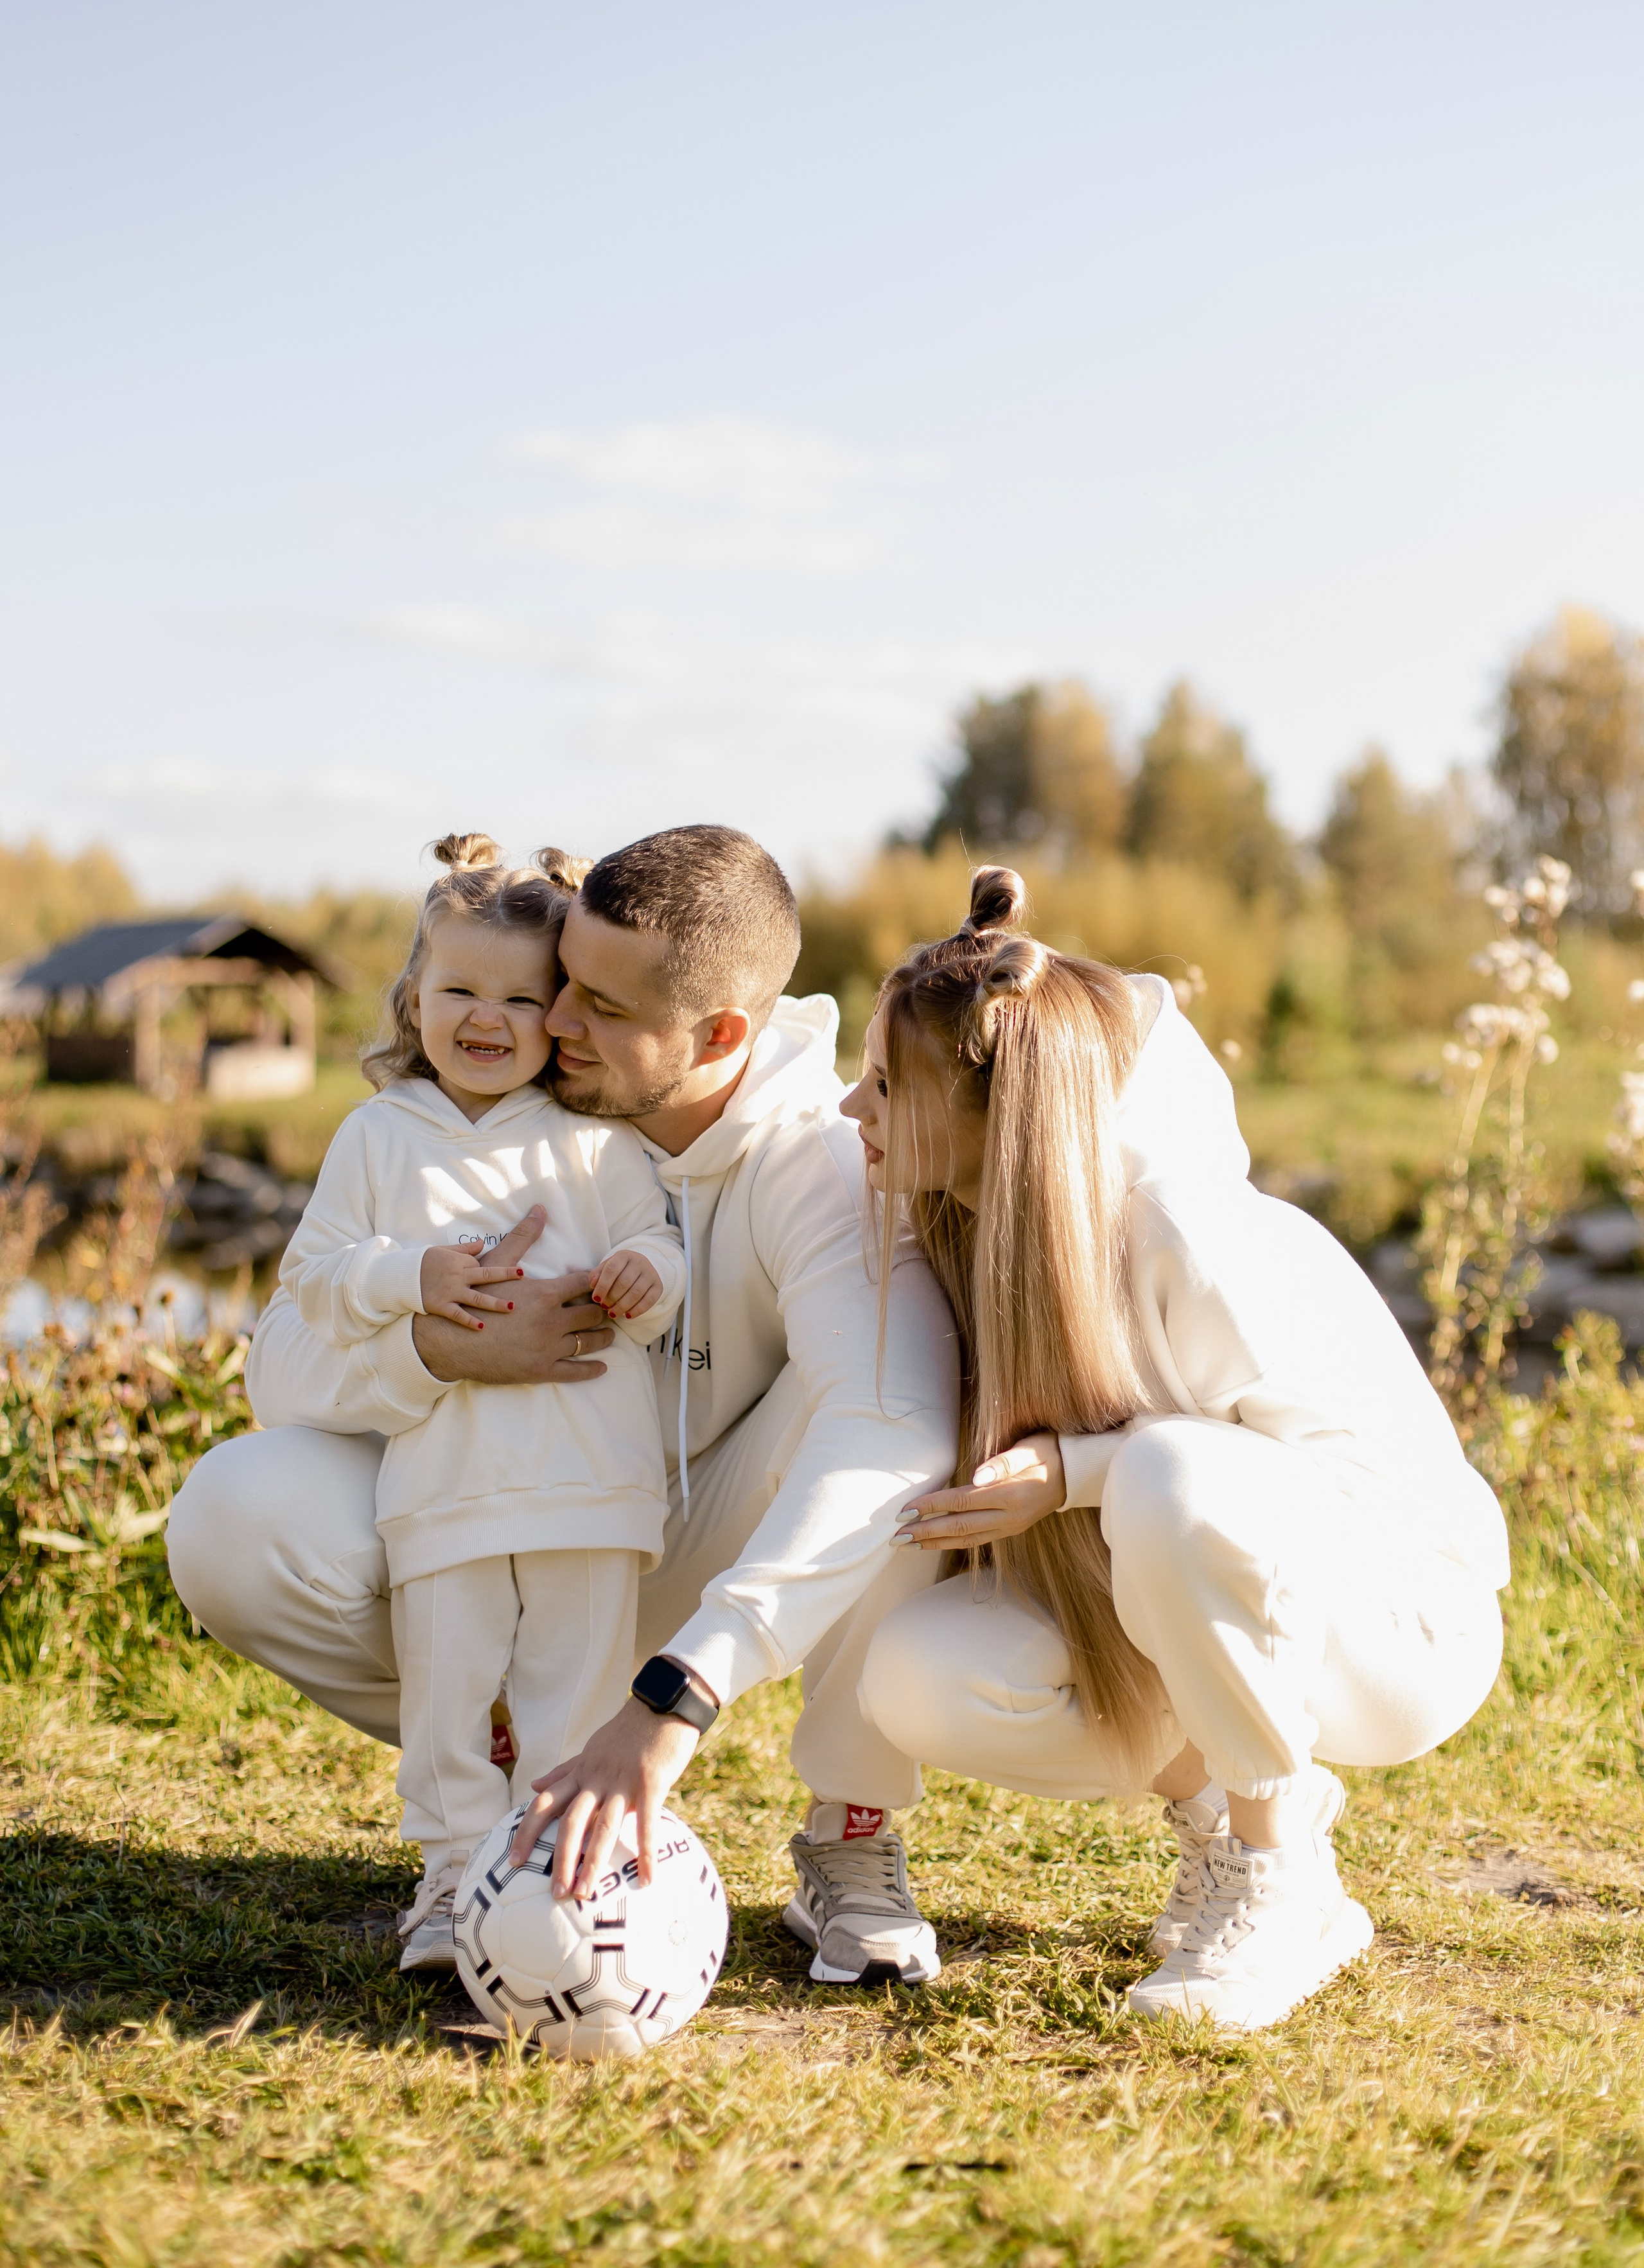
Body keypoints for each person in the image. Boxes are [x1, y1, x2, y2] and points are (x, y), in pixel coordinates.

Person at [167, 825, 958, 1985]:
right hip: (495, 1497)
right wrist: (442, 1351)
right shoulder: (458, 1122)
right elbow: (281, 1363)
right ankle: (489, 1798)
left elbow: (889, 1433)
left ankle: (850, 1827)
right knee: (231, 1511)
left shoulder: (813, 1162)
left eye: (591, 1005)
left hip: (683, 1526)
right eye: (559, 988)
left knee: (887, 1413)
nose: (555, 1026)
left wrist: (684, 1692)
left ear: (720, 1034)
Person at [841, 866, 1509, 2033]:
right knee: (919, 1672)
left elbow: (1357, 1502)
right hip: (1211, 1608)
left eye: (887, 1085)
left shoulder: (1196, 1238)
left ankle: (1279, 1875)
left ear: (996, 1114)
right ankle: (1229, 1827)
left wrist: (1077, 1472)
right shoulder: (967, 1232)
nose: (853, 1111)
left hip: (1402, 1632)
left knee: (1169, 1470)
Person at [277, 832, 686, 1965]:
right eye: (459, 989)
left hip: (589, 1486)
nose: (488, 1017)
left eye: (523, 994)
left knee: (572, 1697)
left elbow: (661, 1250)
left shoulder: (595, 1142)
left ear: (562, 1012)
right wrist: (409, 1277)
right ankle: (454, 1873)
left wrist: (652, 1281)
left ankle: (562, 1882)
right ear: (414, 999)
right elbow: (311, 1280)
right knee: (448, 1702)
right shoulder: (377, 1137)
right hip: (443, 1485)